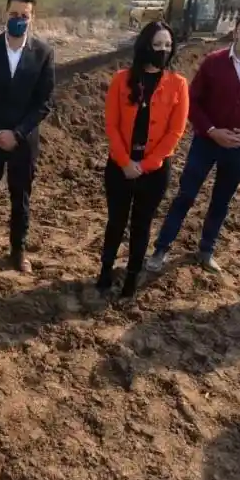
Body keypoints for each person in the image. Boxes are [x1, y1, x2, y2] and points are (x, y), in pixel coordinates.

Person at [146, 11, 240, 273]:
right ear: (235, 32)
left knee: (222, 201)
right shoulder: (214, 61)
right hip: (206, 143)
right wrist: (210, 129)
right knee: (185, 195)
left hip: (239, 148)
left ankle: (206, 250)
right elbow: (193, 101)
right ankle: (161, 248)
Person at [0, 0, 57, 274]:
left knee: (21, 197)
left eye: (24, 16)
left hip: (24, 141)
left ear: (33, 18)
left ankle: (18, 251)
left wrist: (16, 134)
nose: (18, 20)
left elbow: (44, 103)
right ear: (4, 14)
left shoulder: (43, 53)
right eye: (14, 14)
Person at [98, 21, 189, 299]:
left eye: (167, 46)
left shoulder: (178, 85)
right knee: (115, 222)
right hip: (119, 167)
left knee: (141, 225)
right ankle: (105, 270)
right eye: (157, 44)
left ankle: (132, 277)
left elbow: (176, 131)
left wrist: (147, 165)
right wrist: (125, 162)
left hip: (155, 172)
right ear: (145, 46)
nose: (162, 50)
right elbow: (111, 125)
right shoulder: (121, 80)